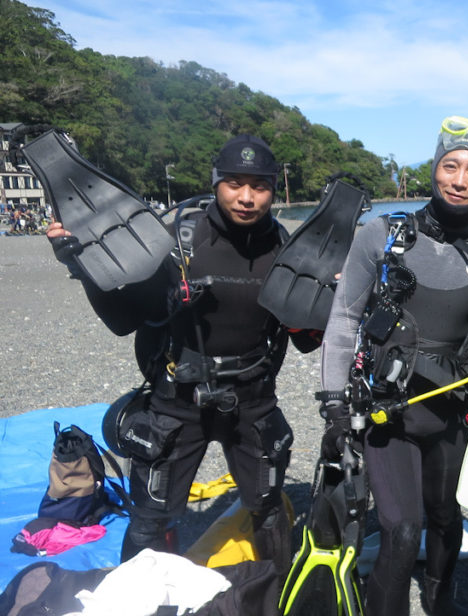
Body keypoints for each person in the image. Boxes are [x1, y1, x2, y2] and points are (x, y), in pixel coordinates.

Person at [46, 134, 316, 579]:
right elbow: (124, 318)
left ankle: (273, 606)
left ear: (273, 189)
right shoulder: (175, 240)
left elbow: (306, 337)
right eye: (234, 183)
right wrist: (84, 266)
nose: (246, 197)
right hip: (176, 402)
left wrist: (330, 293)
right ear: (215, 183)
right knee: (151, 518)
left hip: (252, 400)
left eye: (259, 186)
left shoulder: (285, 250)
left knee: (266, 509)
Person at [319, 114, 468, 616]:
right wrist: (332, 400)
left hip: (452, 407)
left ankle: (441, 597)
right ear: (433, 169)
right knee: (400, 529)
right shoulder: (384, 234)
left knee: (447, 515)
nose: (459, 179)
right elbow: (345, 317)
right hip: (387, 409)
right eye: (450, 166)